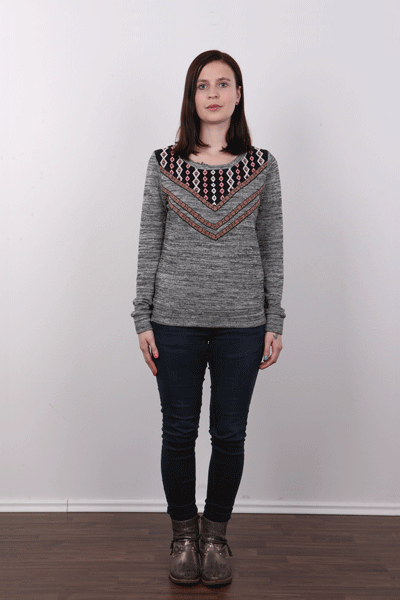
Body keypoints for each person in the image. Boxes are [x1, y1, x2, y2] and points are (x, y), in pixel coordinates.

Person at [131, 49, 285, 587]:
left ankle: (215, 536)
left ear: (238, 95)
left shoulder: (262, 165)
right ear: (191, 96)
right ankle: (183, 536)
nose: (213, 93)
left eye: (223, 84)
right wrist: (142, 317)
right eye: (203, 84)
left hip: (243, 324)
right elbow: (149, 242)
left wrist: (274, 318)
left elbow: (272, 245)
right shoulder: (163, 164)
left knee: (230, 435)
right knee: (178, 433)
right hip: (173, 322)